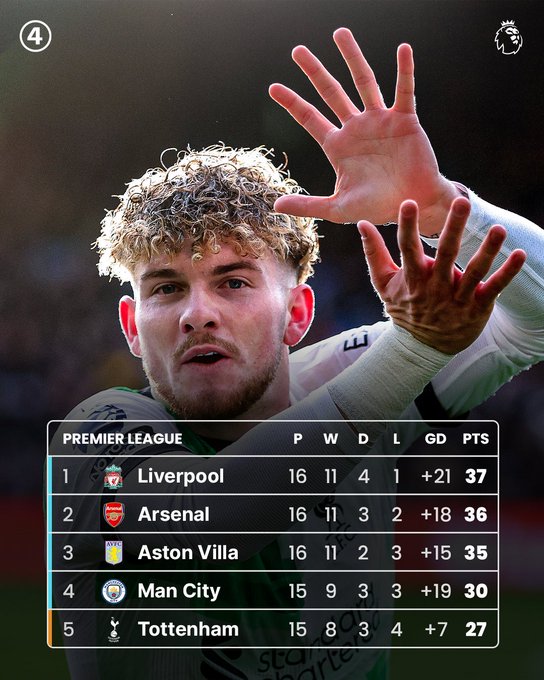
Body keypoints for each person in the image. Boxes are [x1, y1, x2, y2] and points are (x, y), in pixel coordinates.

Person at [49, 29, 543, 680]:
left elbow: (528, 323)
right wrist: (413, 351)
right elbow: (208, 518)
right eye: (166, 289)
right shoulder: (98, 436)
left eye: (233, 282)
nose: (198, 313)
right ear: (132, 328)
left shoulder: (357, 380)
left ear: (299, 314)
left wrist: (441, 205)